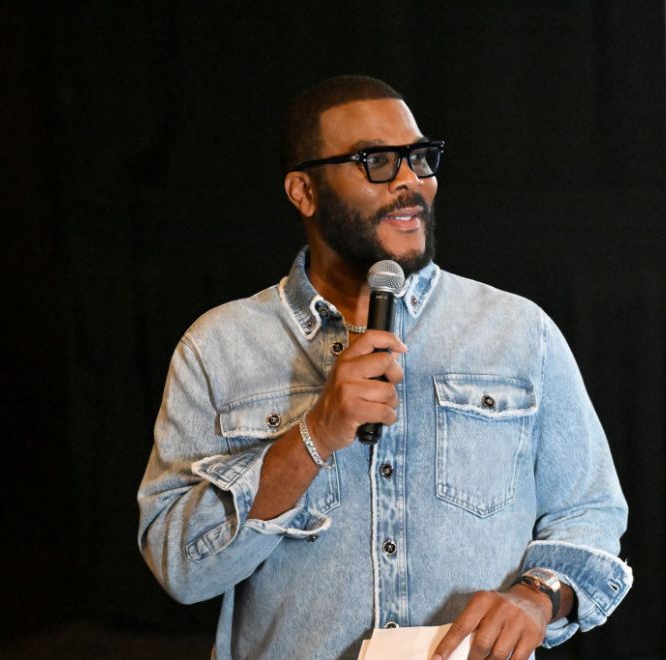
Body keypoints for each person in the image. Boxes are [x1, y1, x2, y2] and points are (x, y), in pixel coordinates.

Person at [138, 75, 632, 659]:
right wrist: (316, 433)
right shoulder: (219, 348)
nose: (409, 182)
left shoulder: (518, 334)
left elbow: (590, 514)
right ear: (303, 191)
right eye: (375, 160)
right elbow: (179, 566)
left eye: (420, 159)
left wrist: (540, 593)